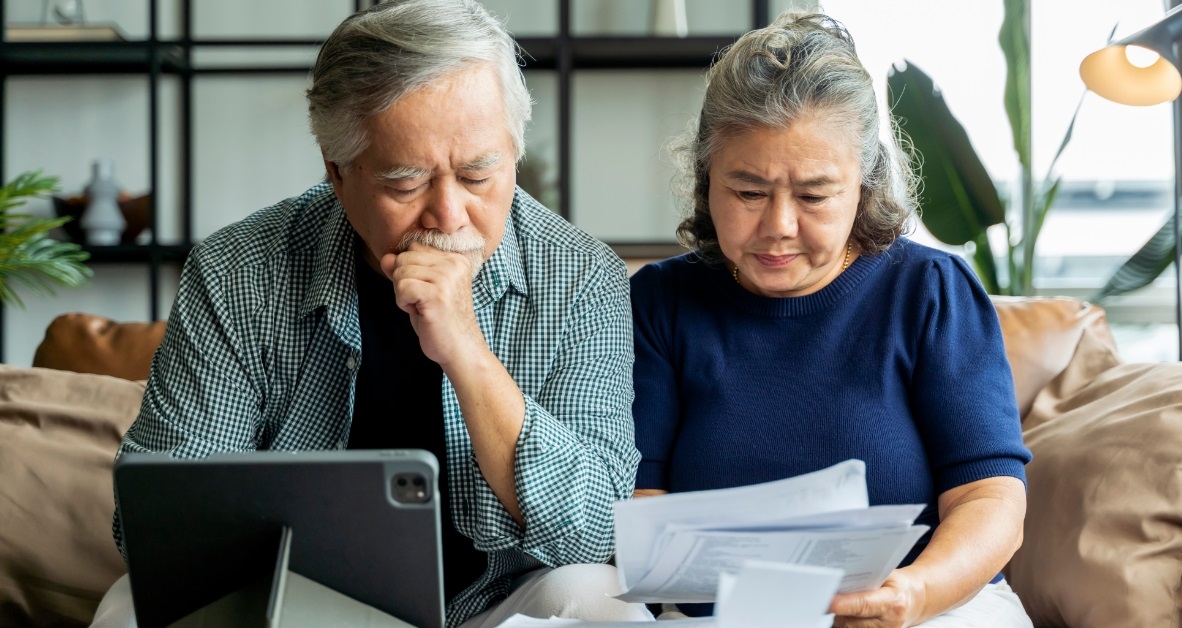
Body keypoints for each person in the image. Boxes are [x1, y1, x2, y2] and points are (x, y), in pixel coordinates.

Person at [91, 1, 652, 627]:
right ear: (336, 172)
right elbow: (158, 520)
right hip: (296, 603)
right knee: (128, 608)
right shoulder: (237, 272)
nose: (449, 215)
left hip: (500, 605)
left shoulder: (580, 276)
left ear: (513, 151)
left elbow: (600, 531)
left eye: (478, 173)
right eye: (406, 183)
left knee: (603, 602)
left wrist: (465, 351)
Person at [630, 11, 1034, 628]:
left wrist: (915, 594)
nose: (779, 227)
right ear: (706, 179)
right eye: (747, 191)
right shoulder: (663, 301)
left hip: (928, 608)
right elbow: (642, 503)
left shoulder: (930, 291)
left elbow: (991, 498)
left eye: (814, 195)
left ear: (865, 185)